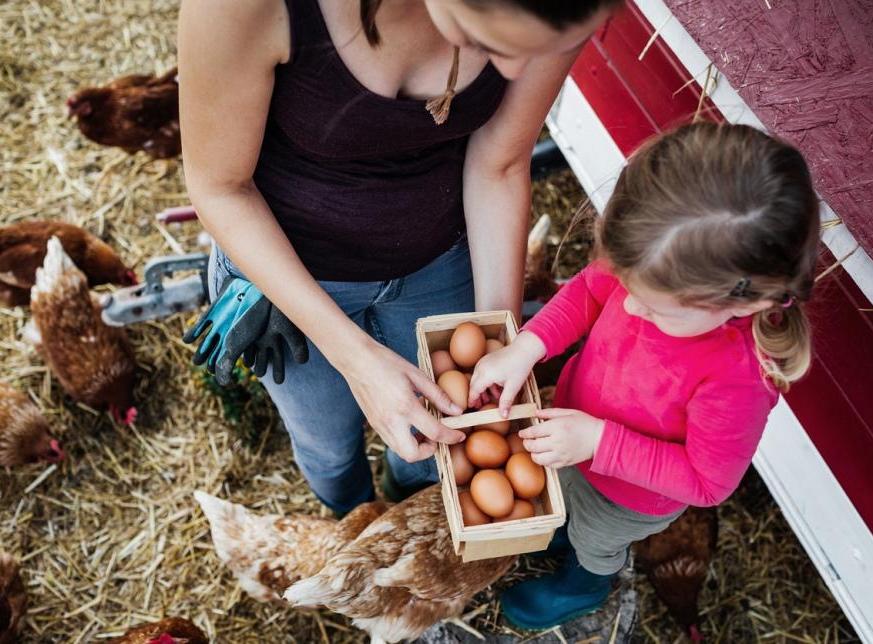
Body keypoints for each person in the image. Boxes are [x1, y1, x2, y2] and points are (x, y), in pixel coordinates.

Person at [177, 0, 619, 514]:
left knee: (437, 440)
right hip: (287, 277)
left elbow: (499, 163)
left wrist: (496, 336)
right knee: (326, 439)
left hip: (440, 256)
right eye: (496, 38)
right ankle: (349, 513)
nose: (516, 71)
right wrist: (356, 359)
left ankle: (407, 499)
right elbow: (220, 188)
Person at [467, 121, 821, 629]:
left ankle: (583, 587)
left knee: (596, 540)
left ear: (750, 300)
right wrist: (528, 345)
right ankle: (564, 527)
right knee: (561, 494)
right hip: (572, 428)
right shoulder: (656, 259)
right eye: (628, 285)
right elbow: (590, 291)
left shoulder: (738, 378)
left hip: (627, 494)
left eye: (655, 309)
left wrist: (599, 442)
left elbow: (707, 483)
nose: (629, 304)